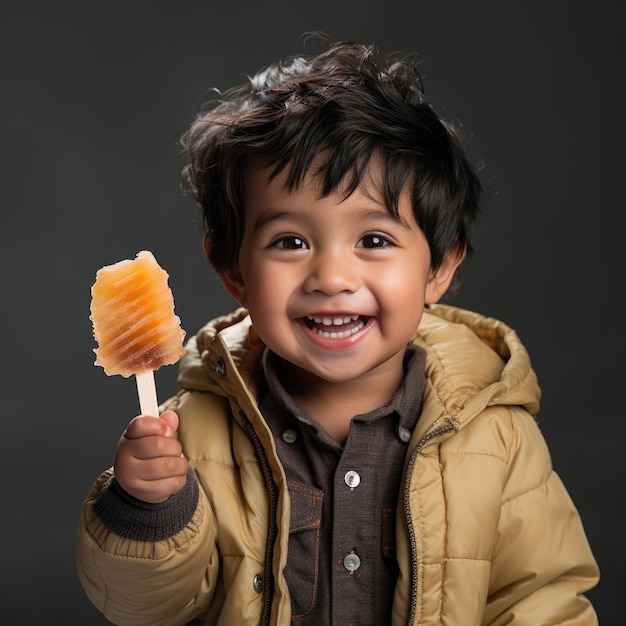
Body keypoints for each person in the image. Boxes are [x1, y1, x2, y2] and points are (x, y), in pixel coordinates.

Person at [76, 35, 599, 625]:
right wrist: (147, 509)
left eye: (373, 240)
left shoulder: (495, 435)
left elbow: (541, 598)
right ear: (232, 271)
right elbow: (145, 607)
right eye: (290, 242)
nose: (330, 276)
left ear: (441, 267)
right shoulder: (192, 432)